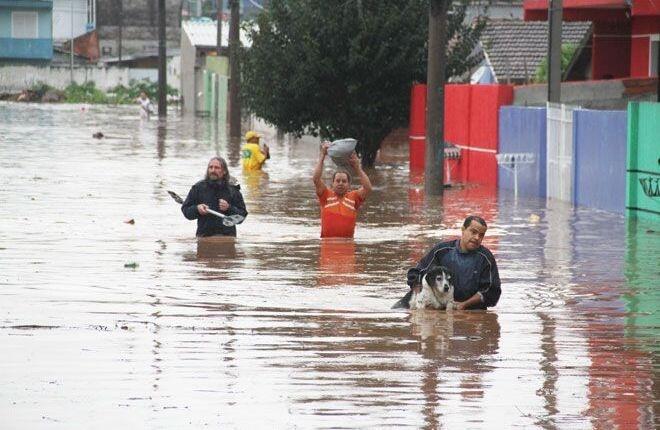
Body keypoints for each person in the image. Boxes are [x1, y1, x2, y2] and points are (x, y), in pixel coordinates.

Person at [406, 215, 501, 310]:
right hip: (437, 306)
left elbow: (492, 292)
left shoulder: (486, 258)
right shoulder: (441, 250)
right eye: (473, 232)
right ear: (463, 230)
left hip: (469, 310)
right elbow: (417, 273)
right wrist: (422, 298)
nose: (477, 237)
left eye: (481, 235)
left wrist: (464, 305)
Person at [313, 141, 372, 238]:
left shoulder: (354, 197)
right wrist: (322, 156)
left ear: (349, 185)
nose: (340, 183)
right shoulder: (325, 195)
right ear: (332, 183)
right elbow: (316, 179)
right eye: (338, 181)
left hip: (348, 246)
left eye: (344, 181)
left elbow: (368, 188)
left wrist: (357, 167)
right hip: (328, 247)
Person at [181, 156, 248, 237]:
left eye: (217, 168)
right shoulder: (198, 188)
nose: (213, 170)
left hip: (227, 238)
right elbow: (186, 211)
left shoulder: (233, 190)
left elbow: (242, 216)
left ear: (224, 171)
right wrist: (197, 209)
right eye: (211, 167)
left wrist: (229, 208)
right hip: (204, 237)